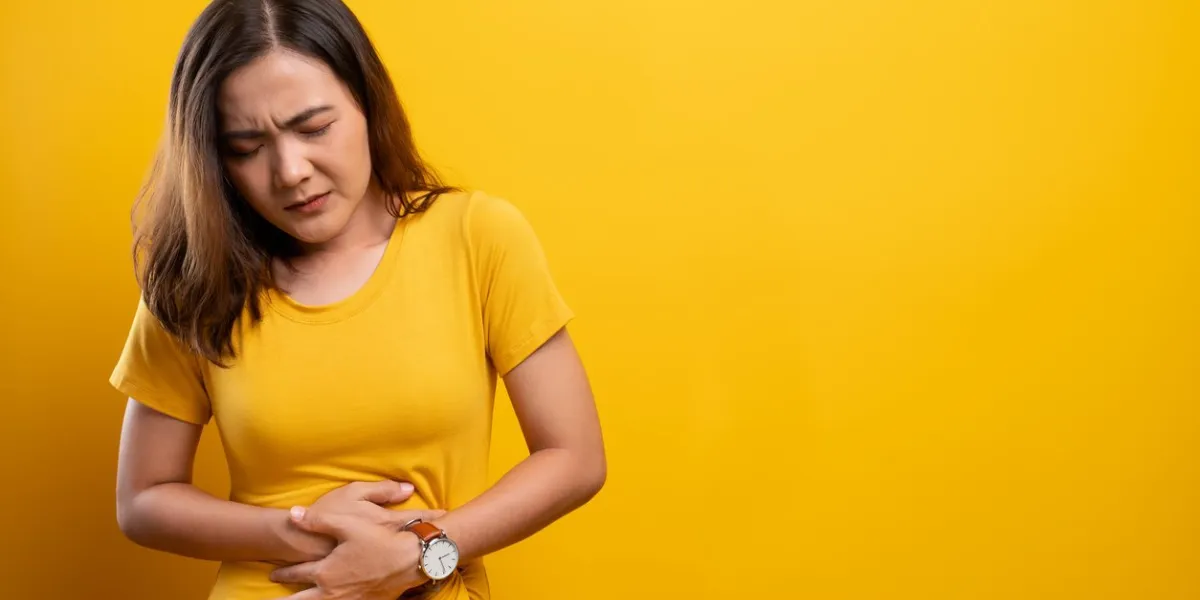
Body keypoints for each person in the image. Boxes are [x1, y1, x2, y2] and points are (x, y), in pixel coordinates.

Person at [108, 1, 606, 599]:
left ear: (368, 105)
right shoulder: (199, 278)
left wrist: (421, 554)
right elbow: (142, 499)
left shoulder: (478, 237)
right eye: (245, 147)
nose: (290, 170)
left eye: (314, 127)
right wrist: (301, 534)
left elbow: (574, 457)